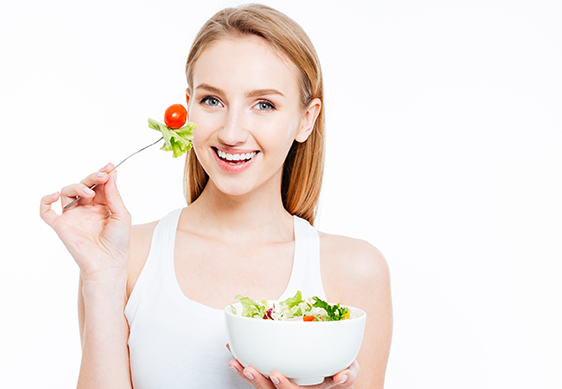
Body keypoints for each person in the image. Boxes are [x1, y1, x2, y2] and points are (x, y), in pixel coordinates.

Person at [40, 4, 392, 388]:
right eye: (212, 101)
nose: (232, 132)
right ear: (188, 105)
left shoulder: (356, 272)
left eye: (264, 104)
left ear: (306, 119)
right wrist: (101, 276)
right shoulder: (125, 258)